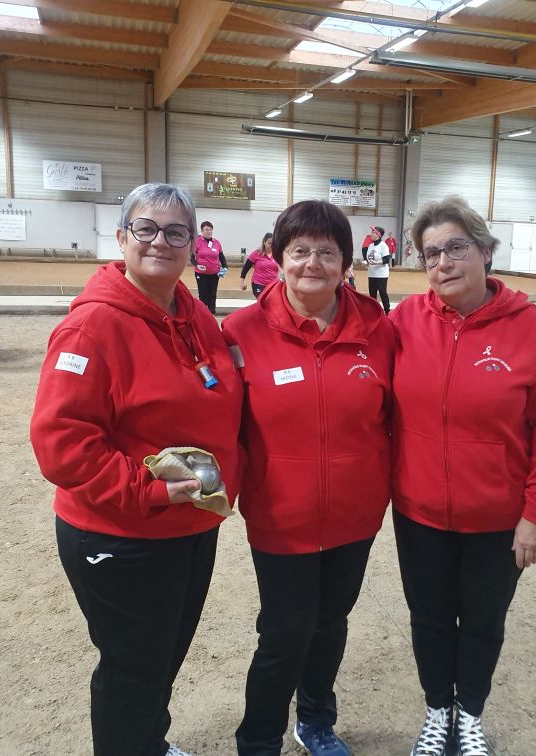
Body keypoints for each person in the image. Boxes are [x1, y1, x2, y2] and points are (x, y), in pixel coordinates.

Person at [29, 183, 244, 756]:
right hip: (121, 533)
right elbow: (61, 443)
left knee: (163, 657)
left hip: (190, 525)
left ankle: (149, 742)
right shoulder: (91, 327)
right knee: (132, 667)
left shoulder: (191, 311)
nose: (160, 242)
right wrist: (147, 489)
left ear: (192, 246)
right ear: (121, 237)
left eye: (175, 232)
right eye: (145, 229)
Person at [390, 195, 536, 756]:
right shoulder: (402, 322)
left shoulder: (531, 329)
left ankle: (467, 713)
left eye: (455, 247)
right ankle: (436, 710)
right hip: (419, 512)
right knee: (428, 618)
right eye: (430, 254)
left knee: (483, 622)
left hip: (498, 518)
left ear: (485, 251)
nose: (443, 262)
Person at [224, 200, 394, 756]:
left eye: (327, 251)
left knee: (330, 624)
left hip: (355, 515)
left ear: (348, 261)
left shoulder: (378, 327)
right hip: (282, 516)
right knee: (284, 632)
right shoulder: (241, 331)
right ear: (278, 257)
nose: (313, 263)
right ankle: (259, 738)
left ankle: (316, 720)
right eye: (300, 251)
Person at [191, 220, 227, 314]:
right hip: (201, 273)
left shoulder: (217, 243)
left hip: (214, 273)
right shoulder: (198, 242)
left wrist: (225, 267)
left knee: (212, 294)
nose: (209, 231)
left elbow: (221, 256)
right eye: (206, 229)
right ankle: (202, 313)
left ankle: (212, 312)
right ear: (202, 231)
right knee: (203, 294)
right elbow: (191, 256)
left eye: (210, 229)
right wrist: (197, 265)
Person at [239, 232, 280, 298]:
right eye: (269, 243)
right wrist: (241, 282)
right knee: (263, 300)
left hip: (273, 284)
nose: (271, 246)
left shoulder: (277, 255)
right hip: (259, 283)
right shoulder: (257, 253)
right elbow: (246, 268)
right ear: (264, 242)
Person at [362, 225, 391, 314]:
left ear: (378, 235)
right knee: (372, 294)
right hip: (372, 273)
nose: (371, 234)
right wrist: (366, 262)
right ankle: (374, 312)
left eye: (373, 232)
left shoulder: (383, 246)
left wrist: (377, 262)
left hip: (381, 274)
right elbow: (369, 258)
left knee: (383, 293)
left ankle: (387, 311)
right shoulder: (370, 245)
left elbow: (386, 259)